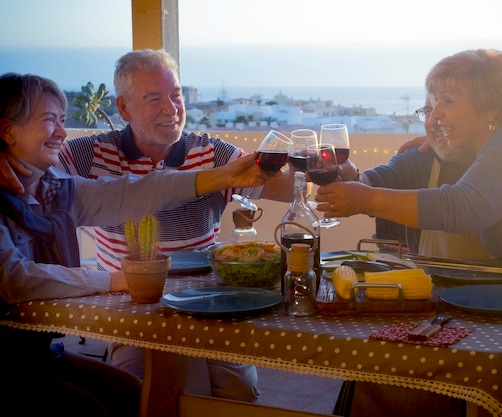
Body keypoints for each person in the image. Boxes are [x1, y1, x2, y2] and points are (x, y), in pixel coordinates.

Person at [316, 48, 502, 417]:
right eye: (431, 103)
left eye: (448, 101)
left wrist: (365, 198)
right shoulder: (481, 143)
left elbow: (464, 206)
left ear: (491, 106)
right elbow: (396, 173)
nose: (435, 113)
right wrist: (360, 180)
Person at [0, 48, 294, 411]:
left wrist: (336, 173)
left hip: (207, 302)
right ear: (124, 109)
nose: (171, 108)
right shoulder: (77, 159)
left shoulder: (56, 185)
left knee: (228, 392)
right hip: (125, 312)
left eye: (176, 95)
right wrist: (119, 279)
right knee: (154, 392)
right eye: (154, 98)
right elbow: (12, 278)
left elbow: (136, 193)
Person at [333, 95, 492, 417]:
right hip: (430, 294)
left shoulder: (498, 162)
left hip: (491, 295)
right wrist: (349, 178)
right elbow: (372, 181)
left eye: (446, 106)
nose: (435, 118)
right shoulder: (419, 158)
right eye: (428, 110)